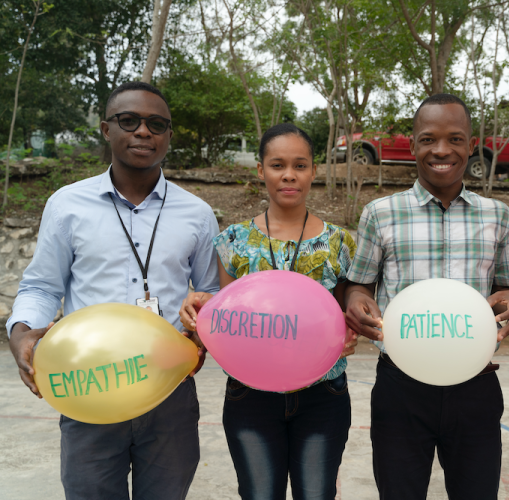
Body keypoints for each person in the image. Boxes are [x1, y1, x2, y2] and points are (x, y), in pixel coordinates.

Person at [7, 81, 220, 499]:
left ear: (169, 136)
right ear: (107, 130)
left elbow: (210, 293)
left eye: (156, 124)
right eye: (129, 121)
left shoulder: (196, 213)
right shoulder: (67, 205)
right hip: (89, 382)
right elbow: (41, 286)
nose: (143, 132)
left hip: (170, 388)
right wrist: (20, 333)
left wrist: (199, 337)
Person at [344, 93, 509, 499]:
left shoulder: (496, 215)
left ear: (470, 144)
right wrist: (356, 300)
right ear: (412, 145)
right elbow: (359, 284)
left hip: (475, 385)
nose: (442, 150)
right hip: (400, 386)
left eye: (455, 139)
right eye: (428, 139)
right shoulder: (380, 213)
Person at [179, 123, 358, 500]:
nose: (289, 175)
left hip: (323, 394)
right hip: (250, 396)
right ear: (261, 170)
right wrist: (199, 311)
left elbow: (343, 312)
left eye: (300, 165)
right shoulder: (234, 241)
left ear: (314, 170)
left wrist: (348, 333)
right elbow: (225, 321)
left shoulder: (340, 242)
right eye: (277, 165)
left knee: (317, 494)